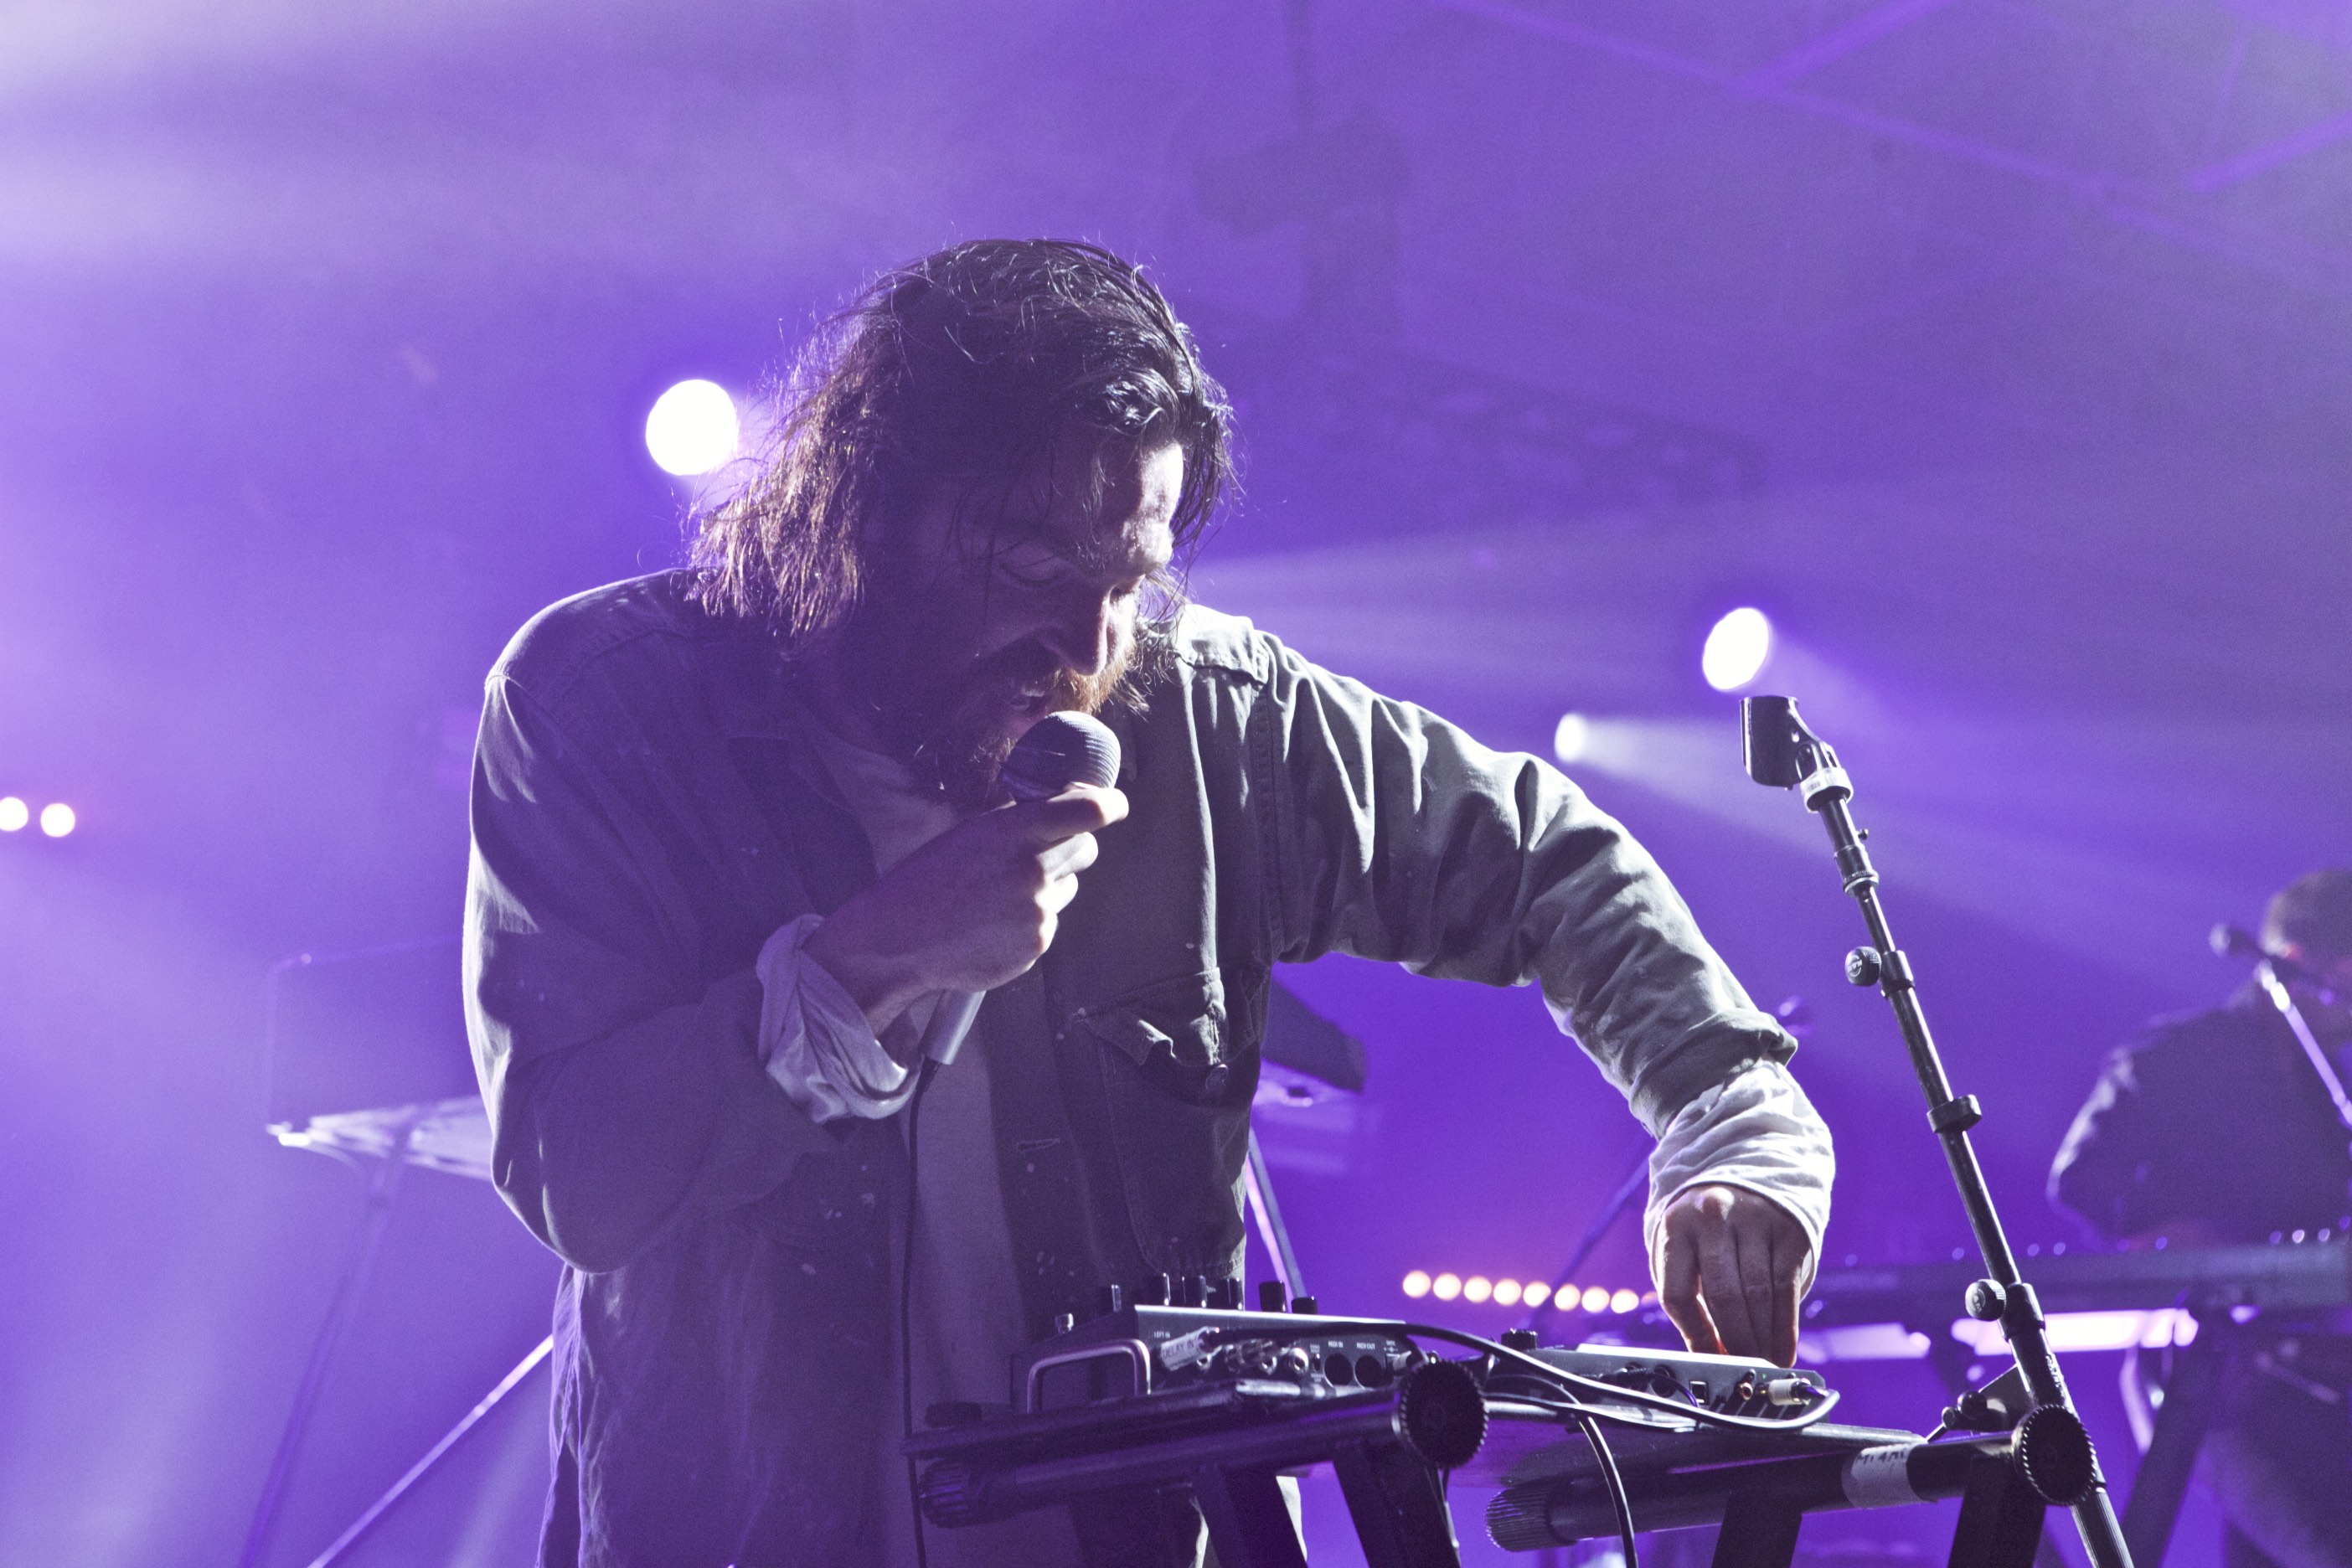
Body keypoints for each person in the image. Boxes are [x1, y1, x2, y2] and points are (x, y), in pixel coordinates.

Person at [463, 239, 1834, 1568]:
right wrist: (864, 964)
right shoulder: (599, 703)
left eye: (1130, 578)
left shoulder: (1211, 717)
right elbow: (579, 1172)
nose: (1088, 647)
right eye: (1031, 568)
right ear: (865, 508)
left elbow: (1546, 861)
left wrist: (1731, 1118)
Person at [2050, 868, 2352, 1568]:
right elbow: (2080, 1177)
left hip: (2311, 1368)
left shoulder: (2326, 1085)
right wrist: (2170, 1239)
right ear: (2300, 964)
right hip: (2205, 1358)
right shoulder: (2182, 1056)